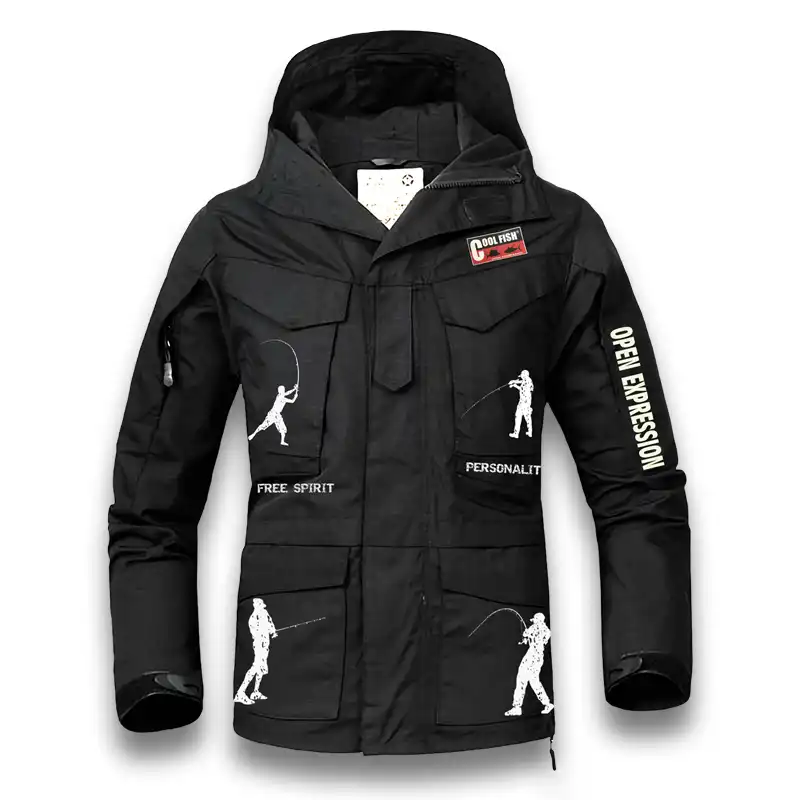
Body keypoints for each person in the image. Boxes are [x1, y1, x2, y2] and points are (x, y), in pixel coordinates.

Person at [504, 612, 554, 716]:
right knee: (534, 681)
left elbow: (538, 639)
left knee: (522, 679)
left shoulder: (543, 630)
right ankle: (547, 703)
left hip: (533, 656)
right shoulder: (537, 628)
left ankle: (517, 706)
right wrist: (526, 637)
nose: (533, 621)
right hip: (535, 656)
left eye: (535, 619)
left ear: (539, 620)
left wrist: (528, 634)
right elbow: (527, 640)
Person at [234, 598, 277, 705]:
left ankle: (255, 691)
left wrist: (272, 631)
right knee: (256, 667)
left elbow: (270, 623)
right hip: (259, 645)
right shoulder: (253, 619)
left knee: (261, 668)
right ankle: (240, 693)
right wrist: (264, 636)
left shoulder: (264, 613)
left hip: (265, 645)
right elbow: (256, 634)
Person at [508, 369, 533, 438]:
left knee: (526, 417)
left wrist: (514, 384)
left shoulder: (528, 381)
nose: (521, 377)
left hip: (525, 402)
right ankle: (516, 433)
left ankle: (529, 432)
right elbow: (521, 384)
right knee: (518, 416)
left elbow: (522, 388)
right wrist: (514, 383)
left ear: (524, 375)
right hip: (522, 402)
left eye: (522, 375)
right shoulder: (526, 381)